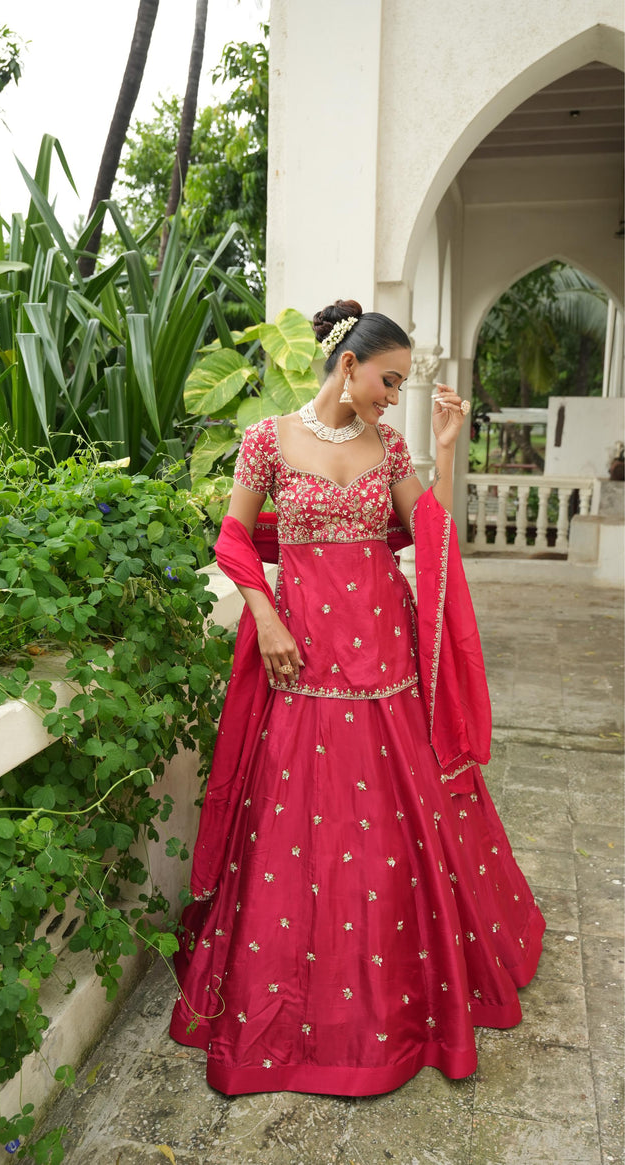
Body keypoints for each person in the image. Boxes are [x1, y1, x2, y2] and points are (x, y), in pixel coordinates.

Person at [169, 299, 545, 1097]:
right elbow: (234, 539)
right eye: (388, 380)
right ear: (348, 364)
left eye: (401, 384)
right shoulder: (268, 438)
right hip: (299, 662)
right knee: (292, 835)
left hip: (384, 664)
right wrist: (265, 615)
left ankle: (401, 1012)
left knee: (395, 833)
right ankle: (289, 1015)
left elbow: (426, 529)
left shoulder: (393, 445)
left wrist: (441, 453)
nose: (392, 395)